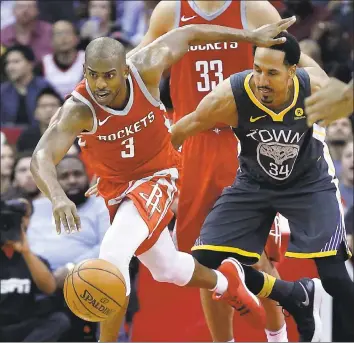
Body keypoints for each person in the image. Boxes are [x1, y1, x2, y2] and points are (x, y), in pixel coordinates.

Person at [29, 20, 311, 343]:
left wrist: (249, 36)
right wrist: (57, 196)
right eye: (93, 74)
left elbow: (189, 34)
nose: (101, 84)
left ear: (124, 69)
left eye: (109, 75)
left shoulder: (146, 68)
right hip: (117, 188)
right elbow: (41, 156)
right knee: (168, 269)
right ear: (85, 70)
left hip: (160, 174)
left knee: (112, 256)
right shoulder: (78, 110)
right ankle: (225, 282)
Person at [117, 1, 324, 341]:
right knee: (206, 257)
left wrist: (309, 89)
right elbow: (137, 68)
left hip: (245, 142)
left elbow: (303, 67)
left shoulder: (255, 10)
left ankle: (279, 338)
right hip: (191, 141)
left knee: (252, 255)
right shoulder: (170, 12)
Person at [171, 31, 353, 342]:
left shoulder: (315, 88)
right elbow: (179, 131)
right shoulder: (230, 96)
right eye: (256, 69)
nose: (261, 80)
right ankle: (294, 295)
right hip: (253, 183)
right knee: (203, 262)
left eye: (272, 72)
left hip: (310, 183)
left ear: (292, 71)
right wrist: (146, 175)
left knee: (335, 278)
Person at [0, 197, 70, 342]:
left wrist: (26, 252)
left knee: (59, 320)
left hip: (24, 327)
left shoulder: (33, 259)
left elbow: (49, 288)